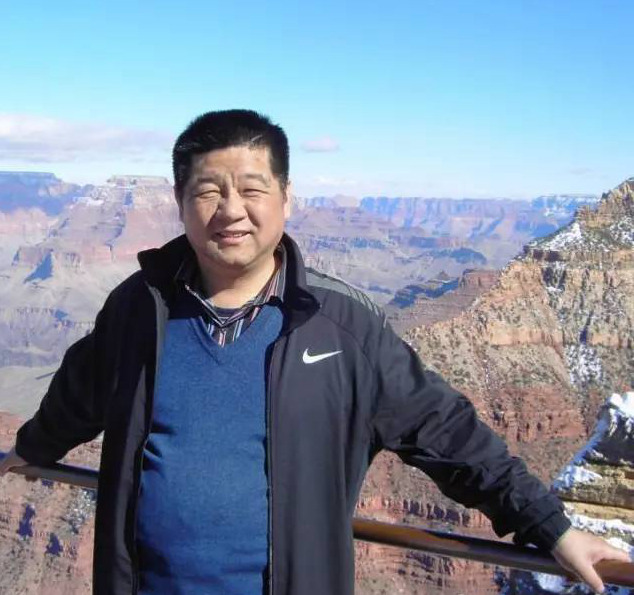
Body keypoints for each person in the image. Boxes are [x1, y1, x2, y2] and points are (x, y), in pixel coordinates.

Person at [0, 109, 628, 595]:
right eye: (209, 190)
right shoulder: (139, 306)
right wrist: (27, 450)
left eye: (251, 189)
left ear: (286, 197)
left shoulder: (341, 326)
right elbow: (79, 392)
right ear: (180, 200)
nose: (231, 211)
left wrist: (551, 528)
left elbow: (448, 432)